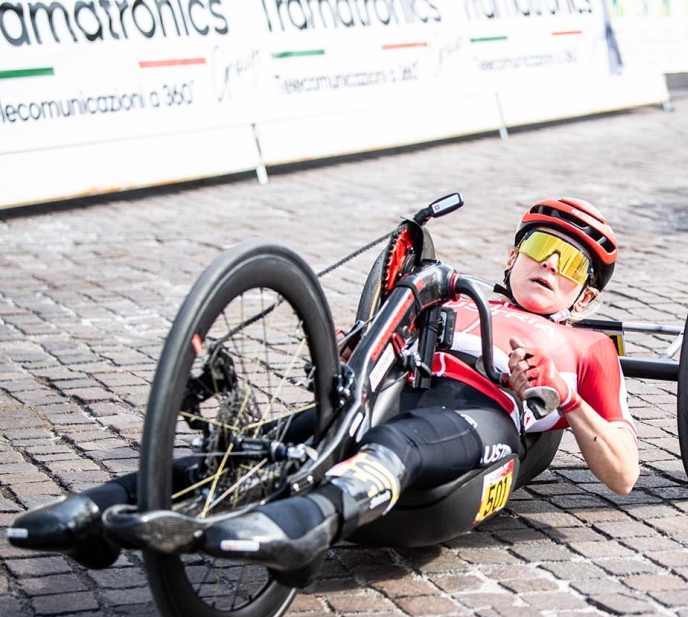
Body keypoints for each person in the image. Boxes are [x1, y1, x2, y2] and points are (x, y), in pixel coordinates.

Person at [7, 198, 641, 582]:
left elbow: (623, 473)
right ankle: (99, 508)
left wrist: (568, 399)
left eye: (573, 262)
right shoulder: (456, 294)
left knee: (402, 440)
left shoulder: (588, 348)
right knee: (275, 439)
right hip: (400, 394)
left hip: (483, 425)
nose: (551, 265)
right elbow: (383, 347)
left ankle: (304, 523)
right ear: (513, 254)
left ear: (585, 295)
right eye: (540, 246)